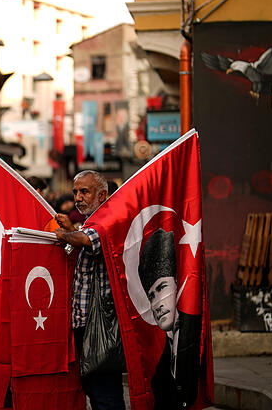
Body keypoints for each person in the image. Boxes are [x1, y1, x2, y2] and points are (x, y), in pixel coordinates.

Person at [53, 170, 125, 410]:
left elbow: (88, 241)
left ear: (102, 195)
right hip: (84, 324)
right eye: (75, 192)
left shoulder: (108, 219)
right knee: (93, 389)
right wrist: (73, 227)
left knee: (105, 392)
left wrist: (64, 234)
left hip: (101, 326)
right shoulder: (89, 222)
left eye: (84, 191)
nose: (78, 197)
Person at [139, 228, 201, 409]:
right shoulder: (161, 361)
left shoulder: (194, 337)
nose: (157, 303)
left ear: (177, 285)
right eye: (151, 296)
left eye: (162, 288)